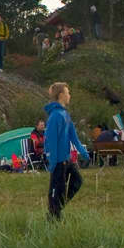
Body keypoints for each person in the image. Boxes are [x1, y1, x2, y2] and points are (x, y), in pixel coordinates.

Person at [43, 83, 88, 219]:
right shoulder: (55, 116)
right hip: (58, 161)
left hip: (66, 159)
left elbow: (73, 136)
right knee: (57, 189)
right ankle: (54, 216)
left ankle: (57, 208)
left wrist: (83, 151)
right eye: (68, 93)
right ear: (61, 95)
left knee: (77, 181)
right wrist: (52, 161)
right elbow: (50, 140)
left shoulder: (65, 114)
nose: (70, 95)